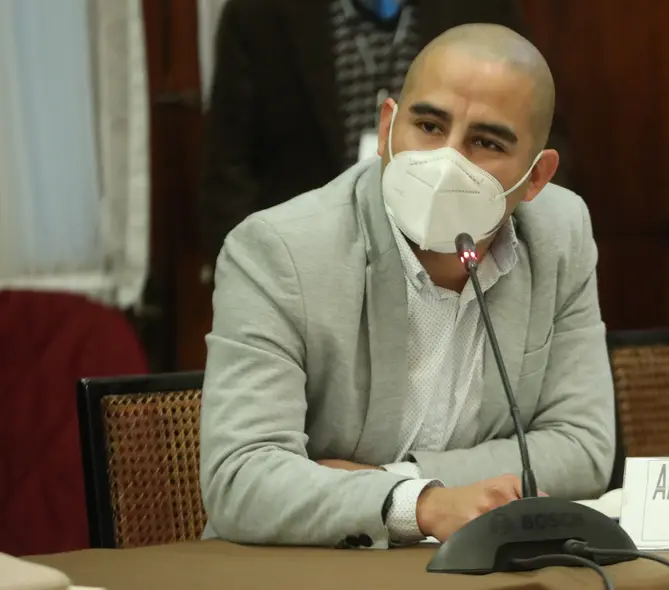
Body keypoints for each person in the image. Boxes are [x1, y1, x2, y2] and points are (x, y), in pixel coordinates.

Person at [199, 23, 614, 550]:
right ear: (388, 125)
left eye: (486, 141)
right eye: (429, 125)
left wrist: (398, 480)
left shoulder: (560, 232)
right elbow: (240, 477)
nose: (449, 160)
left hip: (469, 563)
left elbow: (583, 448)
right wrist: (422, 505)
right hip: (306, 569)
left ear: (536, 177)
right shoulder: (279, 251)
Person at [198, 0, 574, 270]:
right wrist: (250, 268)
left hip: (450, 251)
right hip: (313, 258)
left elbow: (535, 130)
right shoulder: (258, 14)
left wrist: (511, 253)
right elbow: (228, 165)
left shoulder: (479, 8)